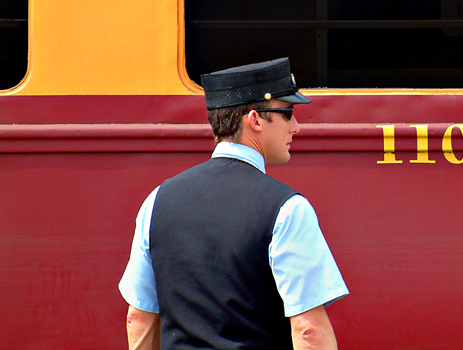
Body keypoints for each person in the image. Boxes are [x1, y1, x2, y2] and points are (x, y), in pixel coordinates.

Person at [119, 58, 348, 350]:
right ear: (254, 120)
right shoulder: (286, 208)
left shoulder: (157, 200)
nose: (296, 127)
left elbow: (139, 317)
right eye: (287, 113)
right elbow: (308, 331)